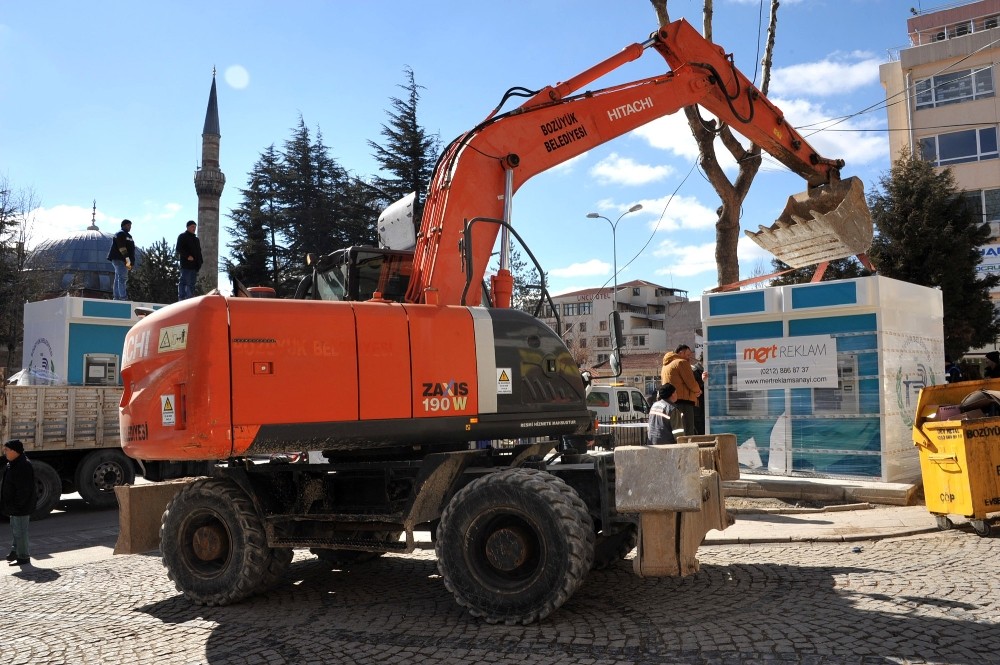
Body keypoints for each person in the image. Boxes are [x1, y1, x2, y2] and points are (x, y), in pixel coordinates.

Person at [1, 440, 36, 566]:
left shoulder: (23, 465)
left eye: (7, 450)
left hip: (20, 507)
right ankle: (15, 551)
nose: (4, 452)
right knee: (16, 530)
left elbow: (24, 490)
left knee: (20, 531)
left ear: (15, 451)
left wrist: (17, 506)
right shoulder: (13, 463)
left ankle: (23, 557)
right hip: (14, 506)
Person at [661, 344, 702, 435]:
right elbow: (691, 382)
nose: (689, 358)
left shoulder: (666, 365)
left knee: (676, 430)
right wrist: (698, 390)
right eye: (687, 355)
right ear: (680, 353)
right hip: (684, 402)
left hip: (671, 402)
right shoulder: (681, 362)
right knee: (687, 431)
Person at [107, 219, 135, 300]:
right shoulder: (121, 234)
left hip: (120, 259)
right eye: (128, 225)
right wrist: (128, 260)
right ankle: (123, 297)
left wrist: (130, 262)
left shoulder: (126, 235)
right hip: (120, 259)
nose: (130, 227)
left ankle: (117, 297)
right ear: (123, 225)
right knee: (122, 278)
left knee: (118, 278)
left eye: (130, 226)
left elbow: (130, 249)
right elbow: (122, 248)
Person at [176, 220, 203, 300]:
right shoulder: (182, 236)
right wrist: (187, 256)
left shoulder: (196, 240)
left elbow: (199, 252)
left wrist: (200, 262)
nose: (194, 228)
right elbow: (179, 249)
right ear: (187, 227)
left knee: (192, 284)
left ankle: (189, 299)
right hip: (186, 265)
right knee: (184, 282)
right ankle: (181, 298)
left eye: (195, 227)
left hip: (194, 267)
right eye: (192, 226)